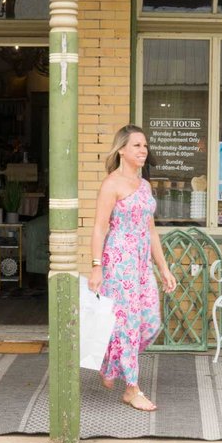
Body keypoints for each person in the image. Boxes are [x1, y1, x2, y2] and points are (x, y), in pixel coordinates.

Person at [87, 124, 176, 412]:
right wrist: (96, 267)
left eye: (145, 146)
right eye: (137, 145)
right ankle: (133, 389)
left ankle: (110, 362)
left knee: (150, 322)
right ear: (122, 150)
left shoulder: (146, 186)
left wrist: (163, 268)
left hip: (141, 265)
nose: (143, 150)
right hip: (118, 262)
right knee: (128, 326)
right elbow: (100, 228)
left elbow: (151, 232)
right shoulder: (111, 184)